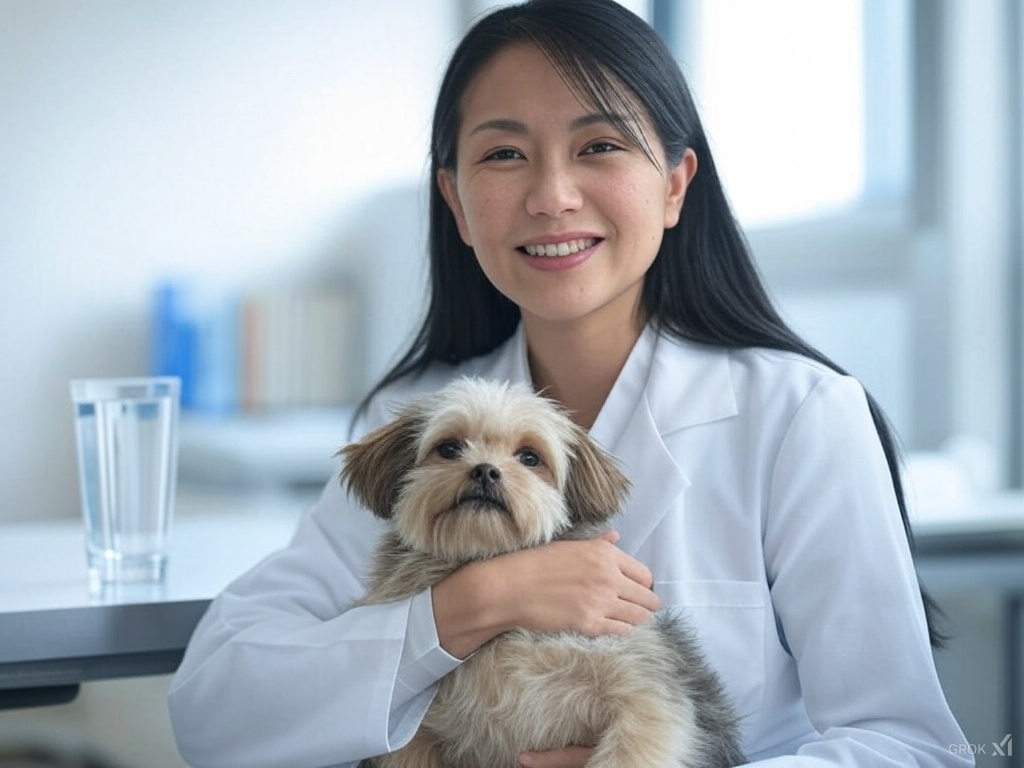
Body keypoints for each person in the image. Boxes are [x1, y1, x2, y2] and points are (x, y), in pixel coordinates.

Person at [168, 1, 971, 765]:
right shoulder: (416, 424)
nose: (552, 196)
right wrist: (467, 608)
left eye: (600, 147)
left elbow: (908, 747)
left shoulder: (800, 416)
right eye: (504, 154)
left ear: (675, 185)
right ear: (455, 198)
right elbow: (216, 708)